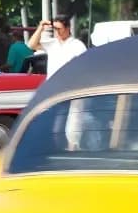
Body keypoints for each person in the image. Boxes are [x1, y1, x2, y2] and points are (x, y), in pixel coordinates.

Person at [29, 16, 92, 149]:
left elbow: (85, 66)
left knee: (73, 123)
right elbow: (31, 45)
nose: (57, 32)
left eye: (59, 29)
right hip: (54, 89)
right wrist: (41, 27)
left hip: (72, 90)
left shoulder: (77, 45)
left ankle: (72, 148)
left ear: (67, 28)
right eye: (55, 29)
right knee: (52, 123)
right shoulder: (52, 44)